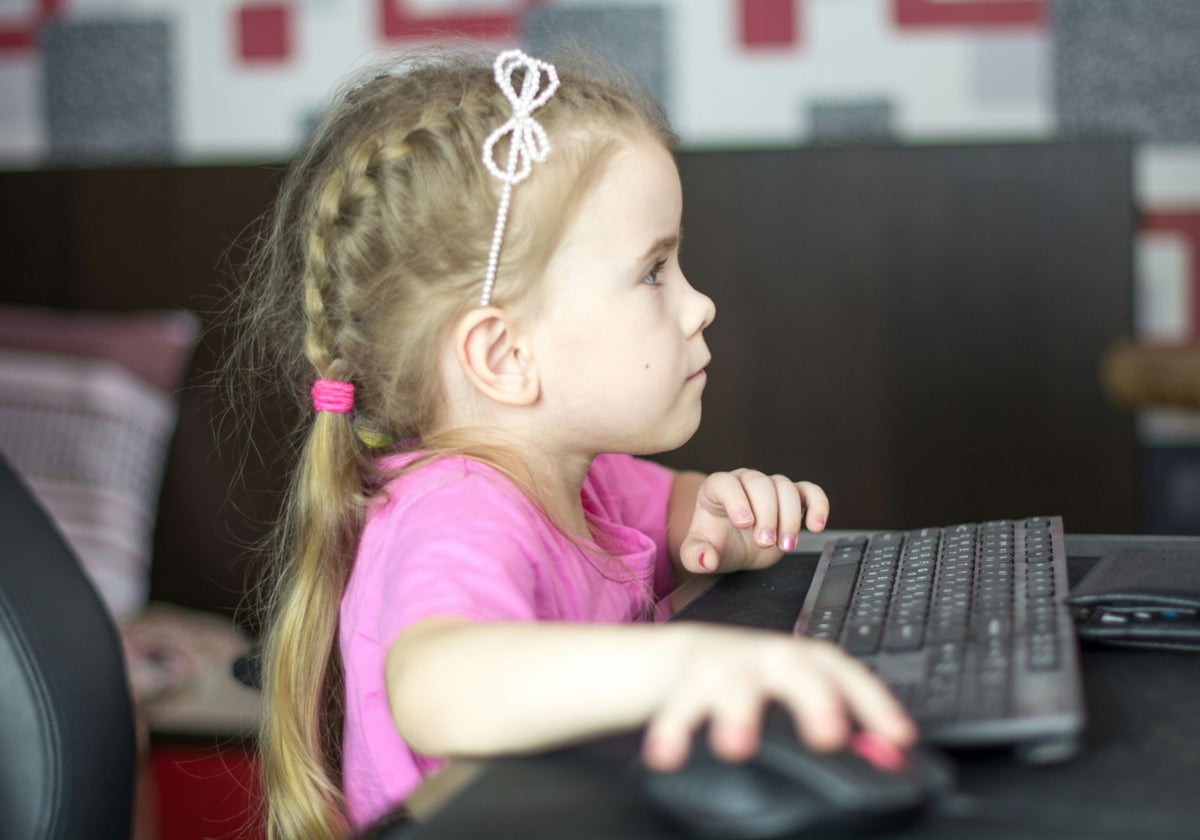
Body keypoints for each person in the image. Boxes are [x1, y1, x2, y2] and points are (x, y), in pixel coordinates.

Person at [234, 47, 915, 840]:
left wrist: (724, 514)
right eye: (655, 271)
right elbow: (438, 684)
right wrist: (692, 662)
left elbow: (675, 515)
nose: (700, 305)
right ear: (505, 357)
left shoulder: (579, 482)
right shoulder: (458, 510)